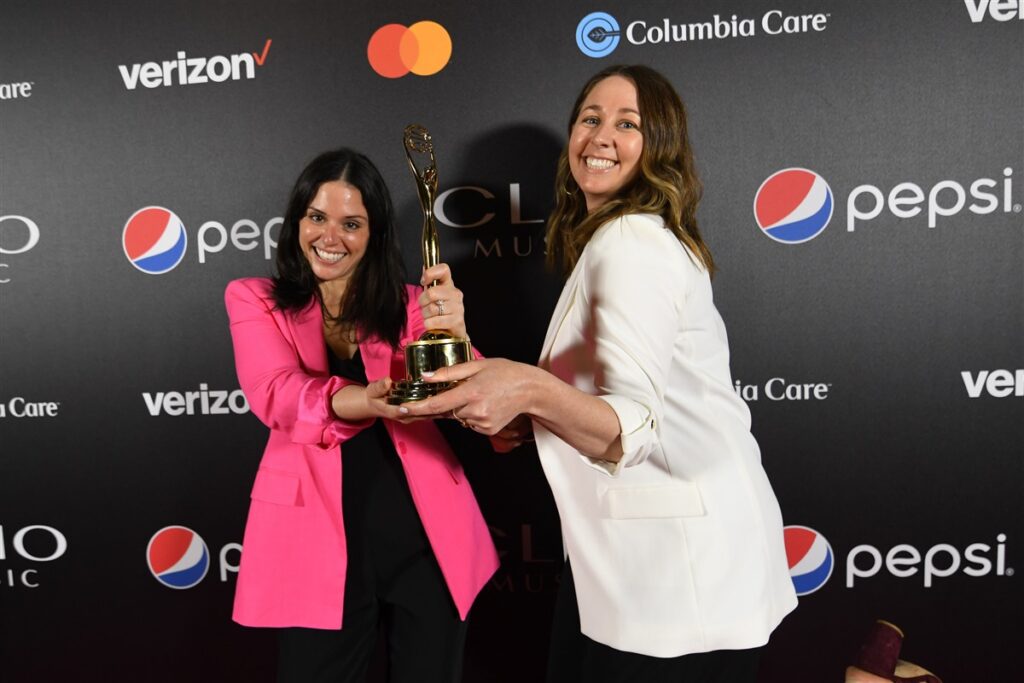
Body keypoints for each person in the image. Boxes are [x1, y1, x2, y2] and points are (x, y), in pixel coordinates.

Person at [401, 65, 798, 682]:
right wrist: (504, 386)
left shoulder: (631, 241)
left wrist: (527, 388)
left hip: (676, 572)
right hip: (653, 565)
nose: (601, 136)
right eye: (591, 118)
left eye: (627, 124)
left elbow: (630, 427)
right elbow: (592, 402)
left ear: (659, 146)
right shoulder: (619, 239)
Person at [224, 148, 498, 683]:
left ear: (374, 233)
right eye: (317, 217)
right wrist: (367, 401)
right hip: (311, 545)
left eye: (351, 224)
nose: (330, 237)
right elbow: (276, 394)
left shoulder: (412, 304)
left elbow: (469, 389)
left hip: (425, 543)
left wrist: (456, 333)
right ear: (297, 221)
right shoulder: (255, 299)